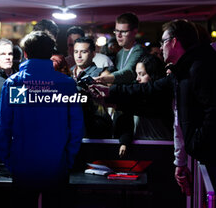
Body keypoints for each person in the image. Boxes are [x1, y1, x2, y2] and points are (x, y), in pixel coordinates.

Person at [89, 19, 216, 194]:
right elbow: (149, 89)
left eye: (163, 41)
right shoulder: (184, 69)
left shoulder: (199, 67)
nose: (161, 46)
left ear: (173, 42)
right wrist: (112, 93)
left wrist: (197, 142)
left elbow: (212, 111)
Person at [0, 31, 84, 208]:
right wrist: (68, 159)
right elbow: (76, 126)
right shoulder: (65, 84)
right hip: (57, 164)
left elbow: (3, 127)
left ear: (25, 53)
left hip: (23, 164)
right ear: (50, 52)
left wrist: (10, 161)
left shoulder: (16, 83)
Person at [71, 37, 112, 138]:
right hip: (73, 126)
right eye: (76, 52)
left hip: (96, 126)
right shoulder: (68, 72)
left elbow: (113, 99)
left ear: (93, 54)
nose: (79, 56)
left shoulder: (102, 74)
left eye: (83, 52)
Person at [97, 12, 145, 85]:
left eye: (123, 32)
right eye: (116, 31)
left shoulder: (138, 50)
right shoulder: (120, 53)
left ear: (135, 31)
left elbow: (128, 71)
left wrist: (103, 79)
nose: (119, 35)